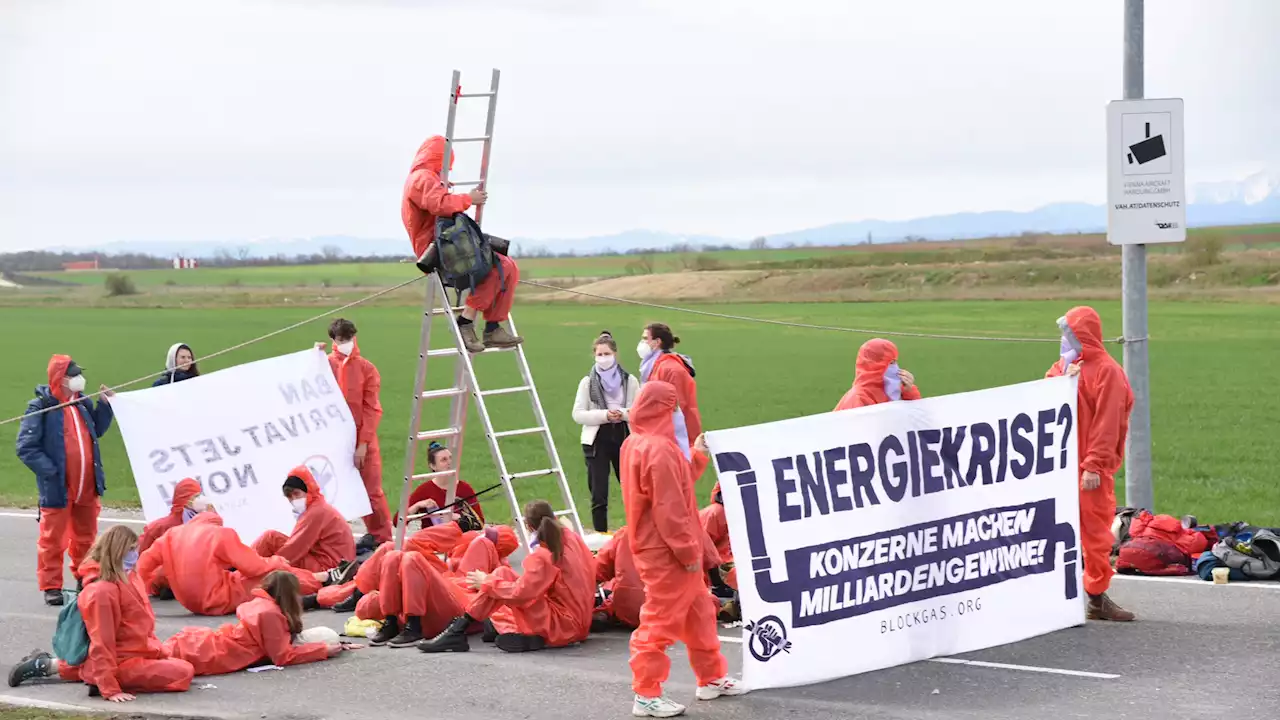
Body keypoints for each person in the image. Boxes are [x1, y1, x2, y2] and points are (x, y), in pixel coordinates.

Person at [622, 381, 746, 717]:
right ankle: (646, 694)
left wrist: (696, 453)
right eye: (674, 407)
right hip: (667, 551)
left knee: (700, 612)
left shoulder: (640, 443)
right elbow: (670, 509)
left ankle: (712, 677)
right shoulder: (659, 449)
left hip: (661, 547)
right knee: (659, 622)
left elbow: (673, 484)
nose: (679, 413)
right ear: (664, 409)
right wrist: (689, 552)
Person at [8, 526, 194, 701]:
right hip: (122, 657)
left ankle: (48, 665)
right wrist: (110, 688)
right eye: (131, 549)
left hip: (133, 650)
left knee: (176, 660)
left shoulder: (127, 575)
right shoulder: (103, 591)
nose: (135, 554)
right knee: (183, 671)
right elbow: (102, 641)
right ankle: (97, 677)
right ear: (118, 551)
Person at [1047, 306, 1135, 622]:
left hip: (1085, 468)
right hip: (1059, 465)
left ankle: (1096, 597)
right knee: (1056, 530)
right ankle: (1060, 597)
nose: (1063, 340)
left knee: (1095, 533)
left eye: (1069, 334)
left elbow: (1107, 422)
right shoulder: (1066, 367)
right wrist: (1062, 379)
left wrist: (1094, 465)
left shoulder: (1107, 372)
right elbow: (1043, 396)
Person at [417, 500, 596, 654]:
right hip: (580, 622)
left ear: (528, 527)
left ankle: (458, 630)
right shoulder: (573, 538)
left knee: (500, 577)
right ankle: (470, 628)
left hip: (563, 626)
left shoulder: (544, 555)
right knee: (502, 576)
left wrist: (485, 581)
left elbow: (521, 592)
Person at [401, 134, 522, 353]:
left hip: (450, 240)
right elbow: (439, 204)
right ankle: (468, 322)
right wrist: (469, 199)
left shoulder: (425, 178)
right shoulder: (422, 178)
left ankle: (493, 326)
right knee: (500, 266)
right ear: (439, 158)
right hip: (439, 247)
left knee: (508, 266)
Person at [16, 355, 115, 606]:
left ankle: (85, 577)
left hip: (87, 485)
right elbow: (26, 447)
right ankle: (52, 586)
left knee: (87, 537)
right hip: (58, 488)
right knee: (53, 539)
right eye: (75, 374)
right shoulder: (40, 407)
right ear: (62, 379)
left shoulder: (82, 404)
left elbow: (97, 430)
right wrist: (51, 472)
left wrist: (104, 405)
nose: (81, 378)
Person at [137, 511, 323, 616]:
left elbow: (143, 564)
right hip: (217, 599)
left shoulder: (171, 535)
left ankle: (317, 579)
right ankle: (320, 581)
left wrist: (138, 592)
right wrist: (277, 561)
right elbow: (254, 568)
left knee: (244, 574)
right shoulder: (221, 534)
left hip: (189, 602)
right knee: (275, 575)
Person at [162, 571, 344, 675]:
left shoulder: (262, 604)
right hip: (216, 652)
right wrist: (322, 650)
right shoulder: (270, 613)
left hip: (210, 643)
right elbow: (282, 656)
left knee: (161, 654)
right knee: (162, 661)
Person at [317, 318, 392, 547]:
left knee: (371, 490)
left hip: (362, 439)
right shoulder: (324, 364)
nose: (346, 343)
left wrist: (363, 443)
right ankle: (331, 536)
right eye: (341, 340)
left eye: (349, 339)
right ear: (333, 340)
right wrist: (314, 359)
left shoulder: (367, 369)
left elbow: (372, 409)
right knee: (328, 489)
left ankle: (381, 537)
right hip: (332, 440)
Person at [573, 331, 641, 532]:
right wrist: (604, 415)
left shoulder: (630, 381)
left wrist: (622, 413)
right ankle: (600, 533)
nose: (603, 358)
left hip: (623, 436)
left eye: (606, 353)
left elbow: (638, 411)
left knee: (632, 489)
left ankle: (637, 530)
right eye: (599, 354)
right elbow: (578, 414)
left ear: (615, 354)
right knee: (599, 492)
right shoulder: (587, 382)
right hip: (597, 438)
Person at [251, 467, 357, 573]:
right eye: (289, 496)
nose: (293, 499)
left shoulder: (316, 512)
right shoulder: (318, 507)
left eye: (297, 494)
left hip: (328, 566)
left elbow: (294, 549)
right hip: (335, 561)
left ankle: (242, 564)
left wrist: (270, 564)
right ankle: (245, 563)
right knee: (273, 542)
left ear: (308, 490)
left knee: (271, 538)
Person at [636, 323, 700, 461]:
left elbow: (677, 408)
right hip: (660, 435)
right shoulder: (655, 365)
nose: (642, 343)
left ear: (657, 342)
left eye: (645, 338)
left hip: (674, 438)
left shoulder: (671, 369)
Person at [137, 478, 208, 598]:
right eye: (196, 496)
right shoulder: (159, 527)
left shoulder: (206, 522)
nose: (200, 499)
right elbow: (140, 553)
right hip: (165, 574)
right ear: (186, 500)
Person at [395, 442, 486, 529]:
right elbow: (397, 522)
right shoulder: (424, 490)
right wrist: (417, 506)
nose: (450, 462)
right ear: (433, 466)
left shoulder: (465, 488)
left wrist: (459, 518)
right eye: (444, 460)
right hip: (432, 541)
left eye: (451, 458)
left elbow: (480, 523)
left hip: (459, 540)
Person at [834, 338, 920, 411]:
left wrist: (909, 391)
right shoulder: (859, 398)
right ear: (874, 365)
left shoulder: (893, 390)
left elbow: (917, 418)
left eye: (894, 362)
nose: (896, 367)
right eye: (890, 363)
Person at [594, 525, 645, 630]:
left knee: (617, 582)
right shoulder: (679, 536)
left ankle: (606, 610)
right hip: (669, 612)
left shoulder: (626, 533)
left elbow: (598, 570)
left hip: (629, 611)